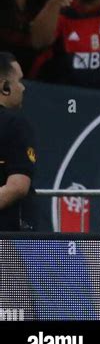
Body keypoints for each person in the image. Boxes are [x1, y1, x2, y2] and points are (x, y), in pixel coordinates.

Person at [0, 51, 36, 232]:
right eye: (19, 81)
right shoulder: (14, 124)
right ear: (4, 87)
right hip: (10, 242)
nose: (23, 88)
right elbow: (17, 186)